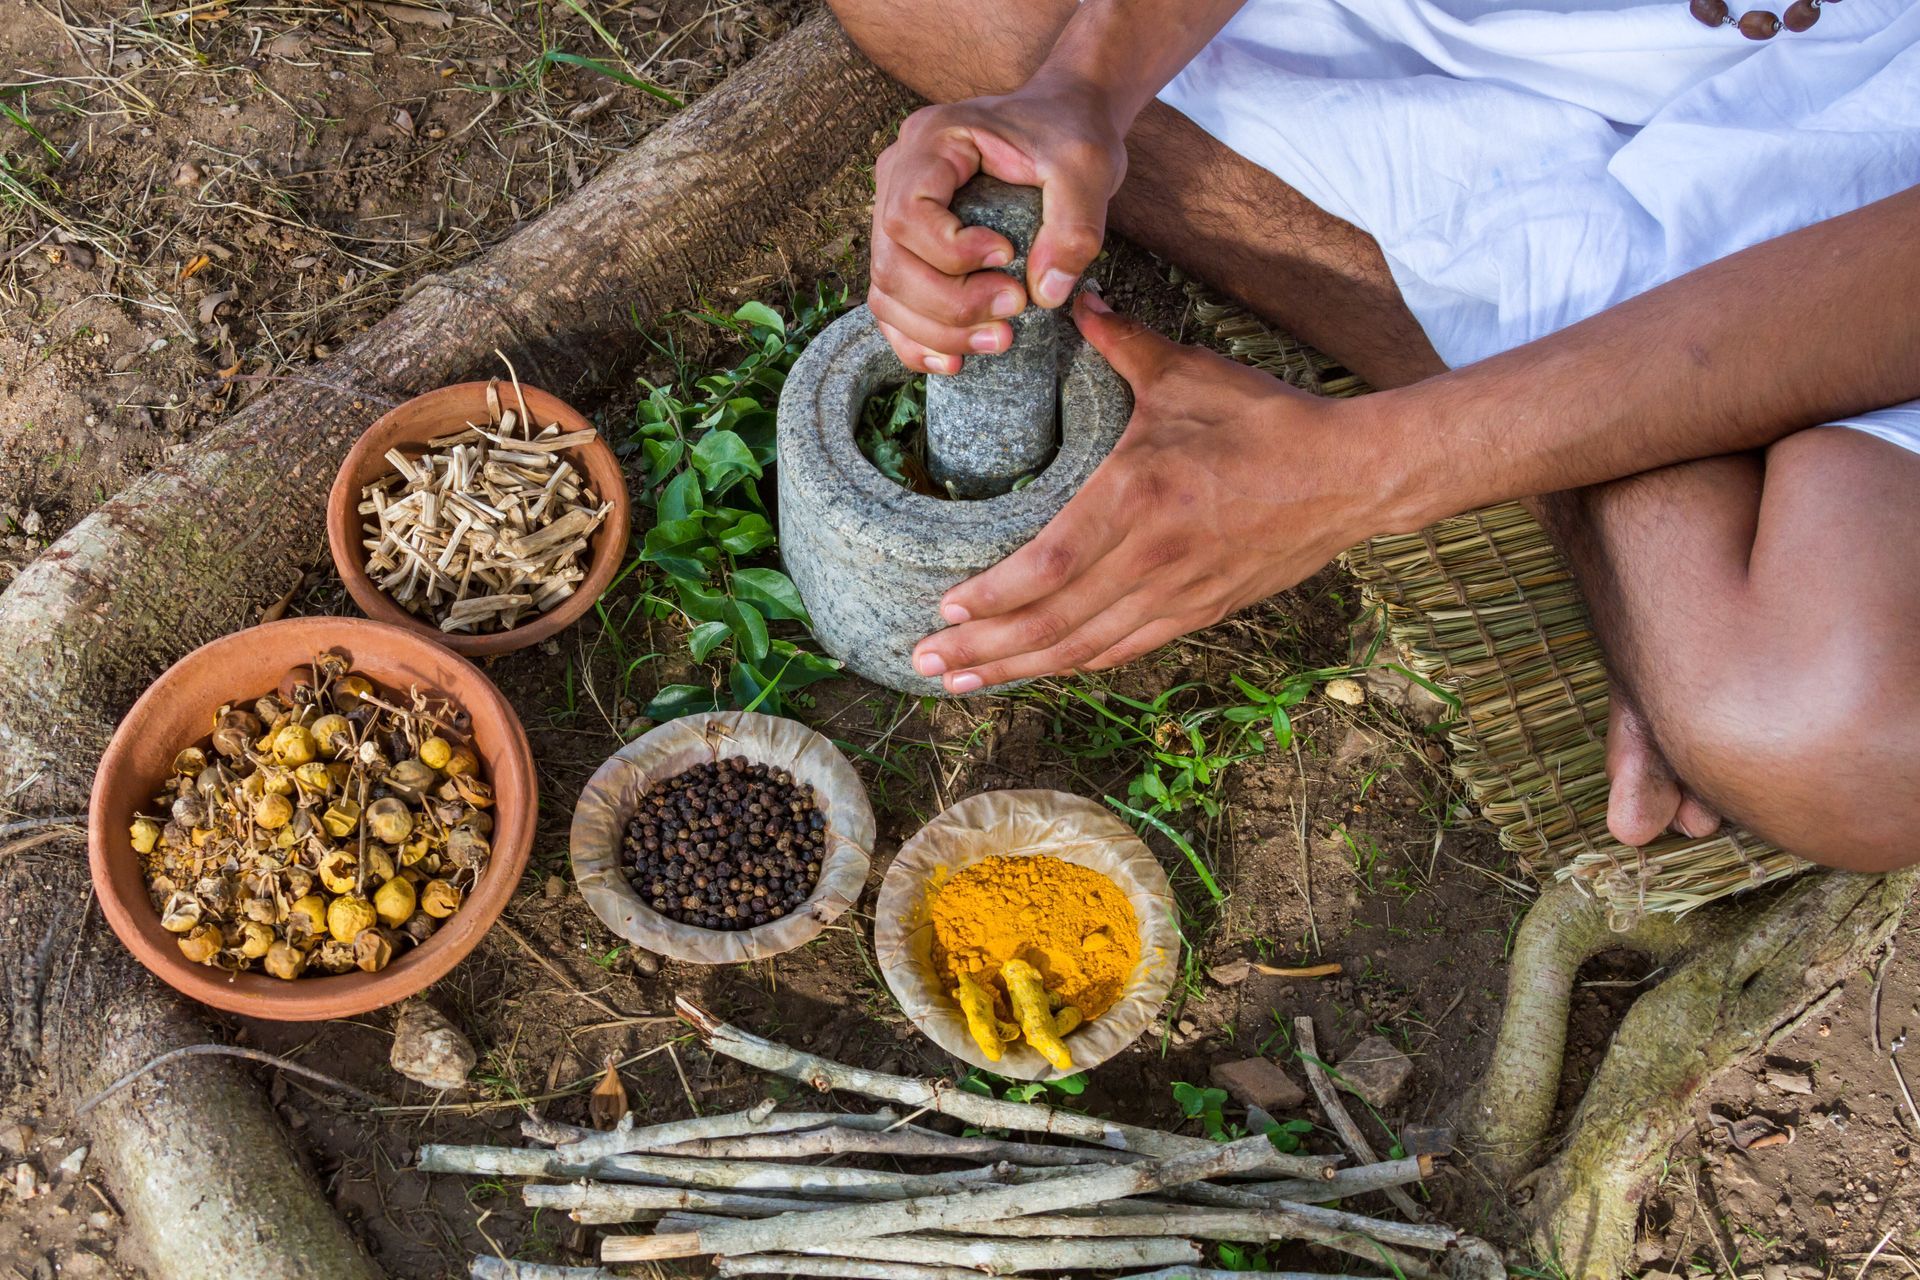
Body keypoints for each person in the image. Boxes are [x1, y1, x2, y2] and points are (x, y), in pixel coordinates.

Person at [826, 0, 1920, 872]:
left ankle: (1578, 437)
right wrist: (1084, 85)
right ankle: (1588, 455)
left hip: (1867, 120)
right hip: (1472, 64)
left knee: (1836, 741)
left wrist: (1363, 471)